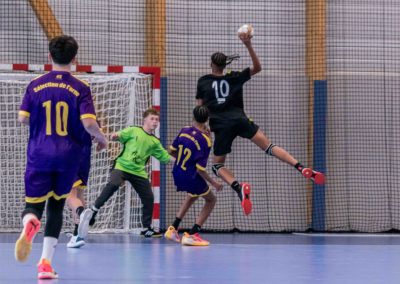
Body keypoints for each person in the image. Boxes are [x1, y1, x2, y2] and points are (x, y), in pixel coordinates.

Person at [195, 31, 325, 216]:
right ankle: (300, 167)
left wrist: (202, 128)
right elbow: (257, 67)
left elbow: (199, 110)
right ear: (225, 66)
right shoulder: (234, 77)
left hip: (220, 125)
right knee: (269, 146)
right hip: (240, 120)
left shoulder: (203, 81)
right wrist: (248, 45)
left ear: (211, 64)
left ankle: (239, 187)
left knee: (217, 166)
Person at [15, 35, 107, 279]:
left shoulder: (34, 85)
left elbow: (22, 118)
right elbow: (88, 122)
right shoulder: (81, 87)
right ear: (75, 59)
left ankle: (29, 222)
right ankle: (45, 263)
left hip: (39, 154)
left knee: (33, 205)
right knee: (56, 205)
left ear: (49, 56)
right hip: (68, 156)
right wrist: (102, 138)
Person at [80, 108, 174, 238]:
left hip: (139, 172)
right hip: (122, 166)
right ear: (145, 119)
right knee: (114, 183)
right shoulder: (134, 130)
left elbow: (165, 157)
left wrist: (181, 162)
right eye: (152, 119)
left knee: (149, 198)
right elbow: (119, 135)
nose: (155, 122)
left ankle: (146, 228)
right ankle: (94, 210)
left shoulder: (155, 142)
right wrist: (114, 136)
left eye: (157, 120)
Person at [164, 106, 222, 246]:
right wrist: (214, 183)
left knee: (193, 194)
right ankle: (193, 234)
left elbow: (171, 151)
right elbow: (200, 169)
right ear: (207, 119)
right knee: (211, 200)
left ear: (194, 116)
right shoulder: (205, 140)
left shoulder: (184, 130)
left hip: (177, 173)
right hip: (191, 176)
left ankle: (172, 229)